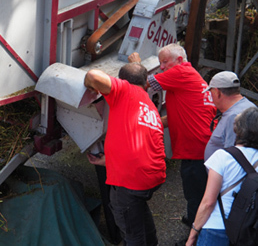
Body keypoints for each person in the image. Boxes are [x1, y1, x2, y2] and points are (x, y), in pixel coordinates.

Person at [129, 44, 217, 227]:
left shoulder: (181, 72)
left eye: (164, 62)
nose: (161, 67)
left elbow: (143, 83)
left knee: (195, 194)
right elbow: (178, 115)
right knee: (199, 191)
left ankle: (196, 233)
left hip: (196, 150)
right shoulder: (190, 76)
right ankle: (196, 222)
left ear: (179, 60)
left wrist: (136, 64)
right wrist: (150, 124)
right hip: (204, 146)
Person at [85, 63, 166, 245]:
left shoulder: (125, 90)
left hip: (132, 179)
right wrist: (108, 161)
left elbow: (93, 76)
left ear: (122, 80)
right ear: (146, 83)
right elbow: (136, 143)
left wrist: (90, 86)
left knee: (131, 232)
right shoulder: (147, 105)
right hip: (153, 175)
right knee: (137, 208)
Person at [186, 107, 258, 246]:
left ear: (237, 129)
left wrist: (193, 233)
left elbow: (208, 203)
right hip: (249, 230)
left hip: (217, 228)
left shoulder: (223, 157)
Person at [203, 71, 256, 161]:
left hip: (226, 174)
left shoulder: (235, 116)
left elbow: (232, 156)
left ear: (217, 92)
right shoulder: (248, 106)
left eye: (211, 92)